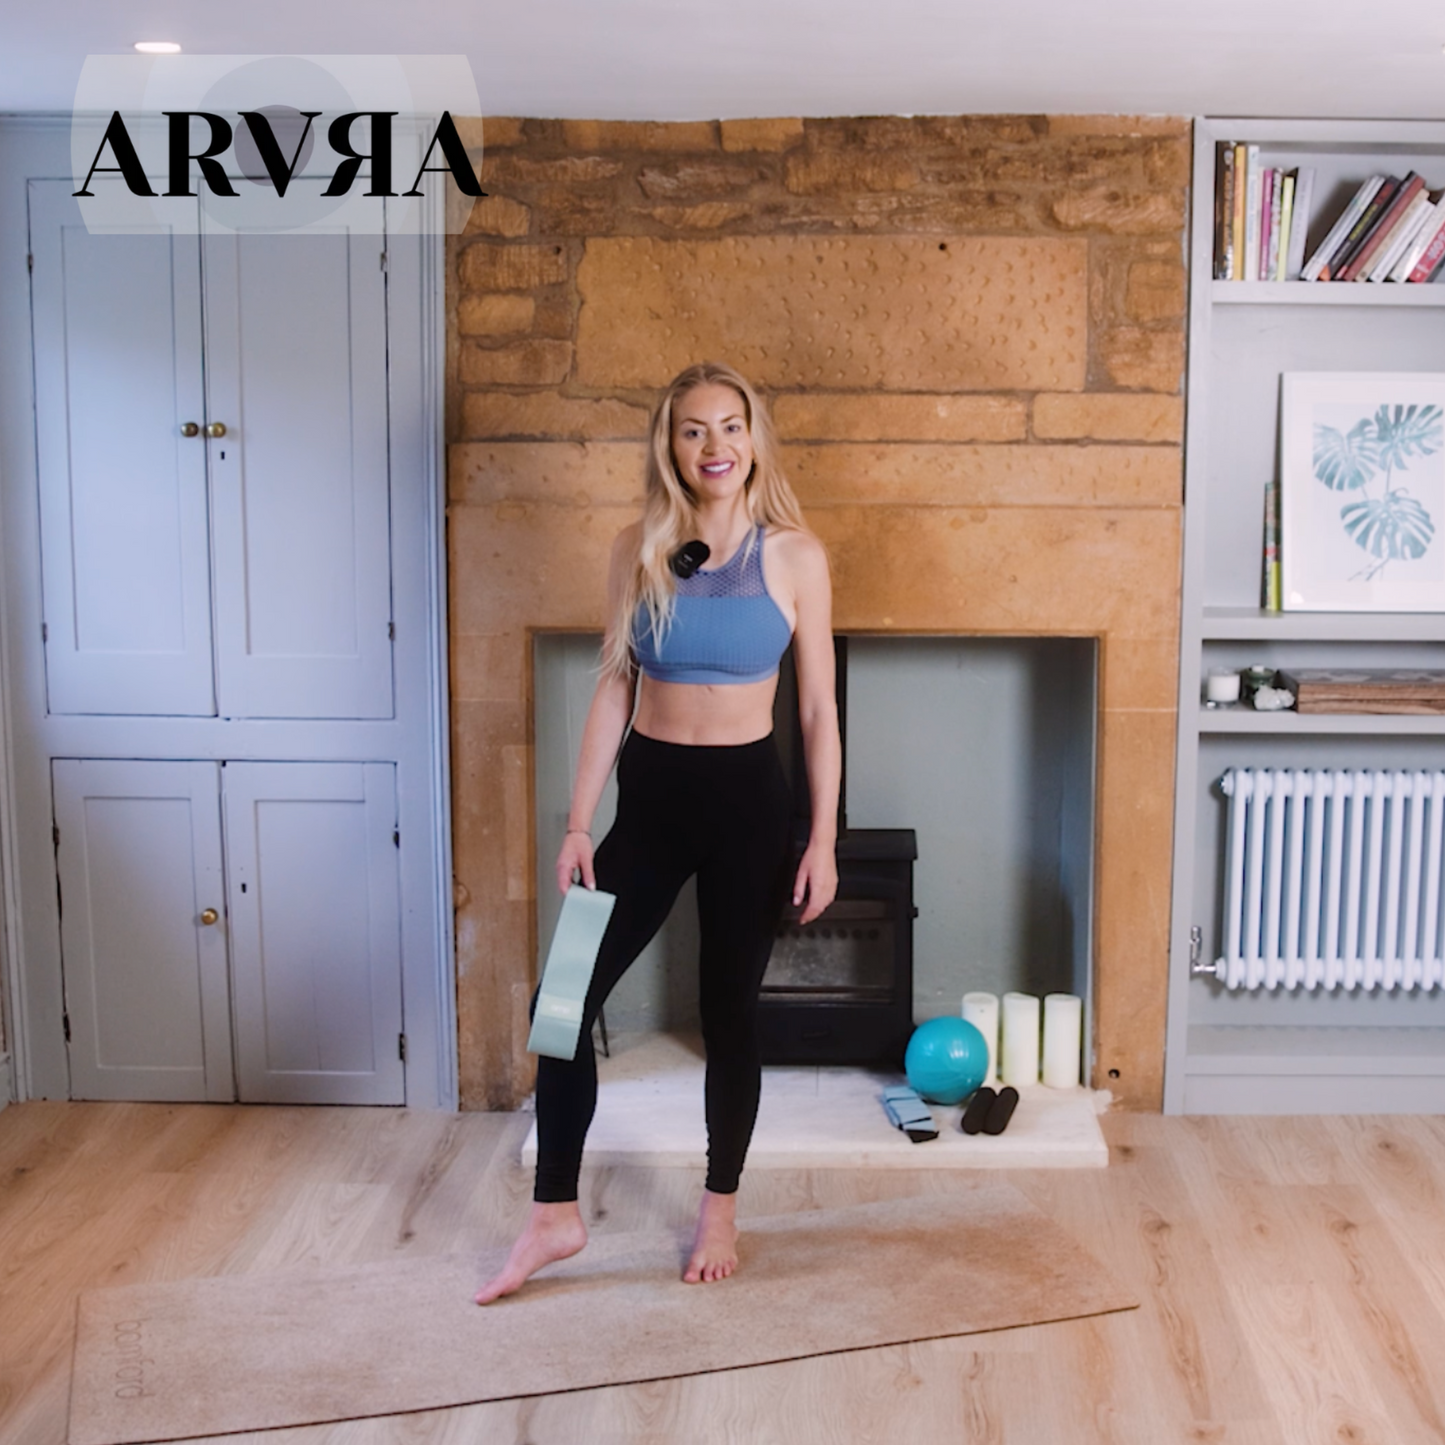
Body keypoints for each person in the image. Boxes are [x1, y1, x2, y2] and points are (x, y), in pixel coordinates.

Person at [476, 361, 840, 1303]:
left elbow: (815, 715)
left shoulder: (795, 556)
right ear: (669, 444)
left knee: (729, 1017)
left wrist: (822, 838)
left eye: (730, 426)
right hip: (650, 802)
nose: (713, 445)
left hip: (748, 808)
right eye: (692, 430)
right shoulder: (635, 547)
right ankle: (553, 1212)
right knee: (560, 1007)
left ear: (753, 438)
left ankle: (719, 1206)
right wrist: (575, 821)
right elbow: (612, 684)